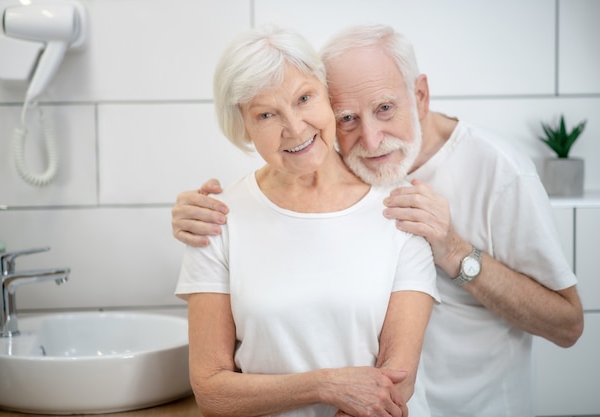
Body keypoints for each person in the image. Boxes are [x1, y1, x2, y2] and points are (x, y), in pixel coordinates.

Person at [172, 24, 584, 417]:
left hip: (479, 405)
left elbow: (568, 325)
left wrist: (456, 251)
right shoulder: (344, 176)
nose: (370, 140)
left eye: (385, 109)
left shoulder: (494, 174)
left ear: (420, 95)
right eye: (348, 117)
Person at [174, 24, 439, 417]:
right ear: (244, 126)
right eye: (266, 114)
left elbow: (399, 379)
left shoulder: (397, 213)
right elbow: (212, 390)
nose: (295, 128)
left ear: (327, 95)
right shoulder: (216, 219)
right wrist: (325, 385)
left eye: (303, 98)